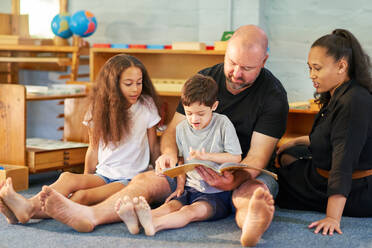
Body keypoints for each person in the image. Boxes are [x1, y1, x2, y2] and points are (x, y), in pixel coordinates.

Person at [37, 25, 288, 247]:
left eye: (247, 68)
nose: (236, 73)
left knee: (251, 194)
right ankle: (91, 217)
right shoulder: (204, 79)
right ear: (225, 53)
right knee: (144, 181)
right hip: (191, 169)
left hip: (242, 173)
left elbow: (256, 158)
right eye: (232, 62)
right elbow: (172, 132)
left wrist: (230, 181)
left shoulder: (273, 95)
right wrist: (169, 156)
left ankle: (250, 225)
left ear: (264, 61)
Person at [0, 54, 161, 224]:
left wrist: (160, 175)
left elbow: (154, 147)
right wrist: (85, 179)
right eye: (128, 84)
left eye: (139, 82)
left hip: (128, 180)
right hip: (103, 175)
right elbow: (93, 149)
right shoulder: (98, 108)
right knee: (68, 178)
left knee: (82, 196)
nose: (135, 89)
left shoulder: (146, 105)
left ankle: (28, 210)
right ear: (113, 85)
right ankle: (25, 209)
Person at [115, 74, 242, 235]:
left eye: (200, 114)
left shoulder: (223, 123)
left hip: (217, 194)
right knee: (170, 206)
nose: (194, 119)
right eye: (189, 113)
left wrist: (207, 156)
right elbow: (183, 161)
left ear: (214, 106)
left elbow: (236, 157)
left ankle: (154, 225)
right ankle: (136, 221)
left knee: (189, 212)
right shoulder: (182, 128)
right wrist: (180, 186)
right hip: (190, 188)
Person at [276, 29, 372, 236]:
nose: (312, 75)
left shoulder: (354, 101)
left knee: (276, 181)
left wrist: (332, 217)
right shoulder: (340, 92)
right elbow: (329, 135)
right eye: (310, 68)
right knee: (286, 154)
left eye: (317, 68)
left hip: (353, 190)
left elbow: (343, 162)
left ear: (341, 66)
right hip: (324, 172)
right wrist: (297, 141)